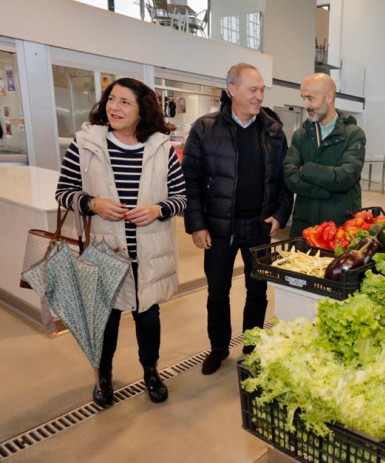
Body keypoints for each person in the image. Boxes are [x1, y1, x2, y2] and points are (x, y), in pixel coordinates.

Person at [55, 77, 187, 406]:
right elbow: (63, 193)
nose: (115, 107)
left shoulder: (161, 147)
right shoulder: (86, 143)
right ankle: (103, 375)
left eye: (125, 102)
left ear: (143, 109)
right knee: (107, 319)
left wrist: (159, 210)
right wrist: (92, 204)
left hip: (150, 250)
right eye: (111, 100)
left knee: (148, 317)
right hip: (105, 248)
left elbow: (182, 198)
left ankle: (151, 371)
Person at [182, 63, 292, 375]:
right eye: (253, 89)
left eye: (262, 90)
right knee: (217, 292)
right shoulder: (204, 128)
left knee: (257, 290)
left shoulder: (273, 131)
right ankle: (218, 347)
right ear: (232, 90)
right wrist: (197, 224)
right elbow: (189, 180)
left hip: (259, 226)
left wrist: (280, 216)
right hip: (218, 227)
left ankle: (253, 344)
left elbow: (285, 180)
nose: (260, 96)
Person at [283, 73, 366, 238]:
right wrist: (323, 191)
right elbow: (289, 175)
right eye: (303, 98)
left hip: (339, 230)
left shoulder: (353, 135)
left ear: (329, 97)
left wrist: (306, 169)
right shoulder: (301, 134)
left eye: (310, 99)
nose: (305, 105)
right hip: (304, 227)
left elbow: (346, 177)